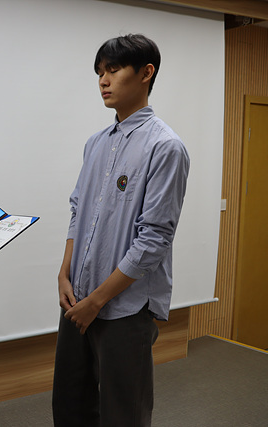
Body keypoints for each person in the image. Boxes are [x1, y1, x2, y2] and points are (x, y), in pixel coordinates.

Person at [52, 34, 190, 426]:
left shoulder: (166, 147)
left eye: (113, 69)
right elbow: (78, 210)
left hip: (124, 306)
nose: (103, 80)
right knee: (70, 405)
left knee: (123, 413)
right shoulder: (96, 144)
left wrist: (97, 301)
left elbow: (154, 239)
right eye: (100, 72)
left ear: (146, 73)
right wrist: (64, 273)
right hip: (78, 296)